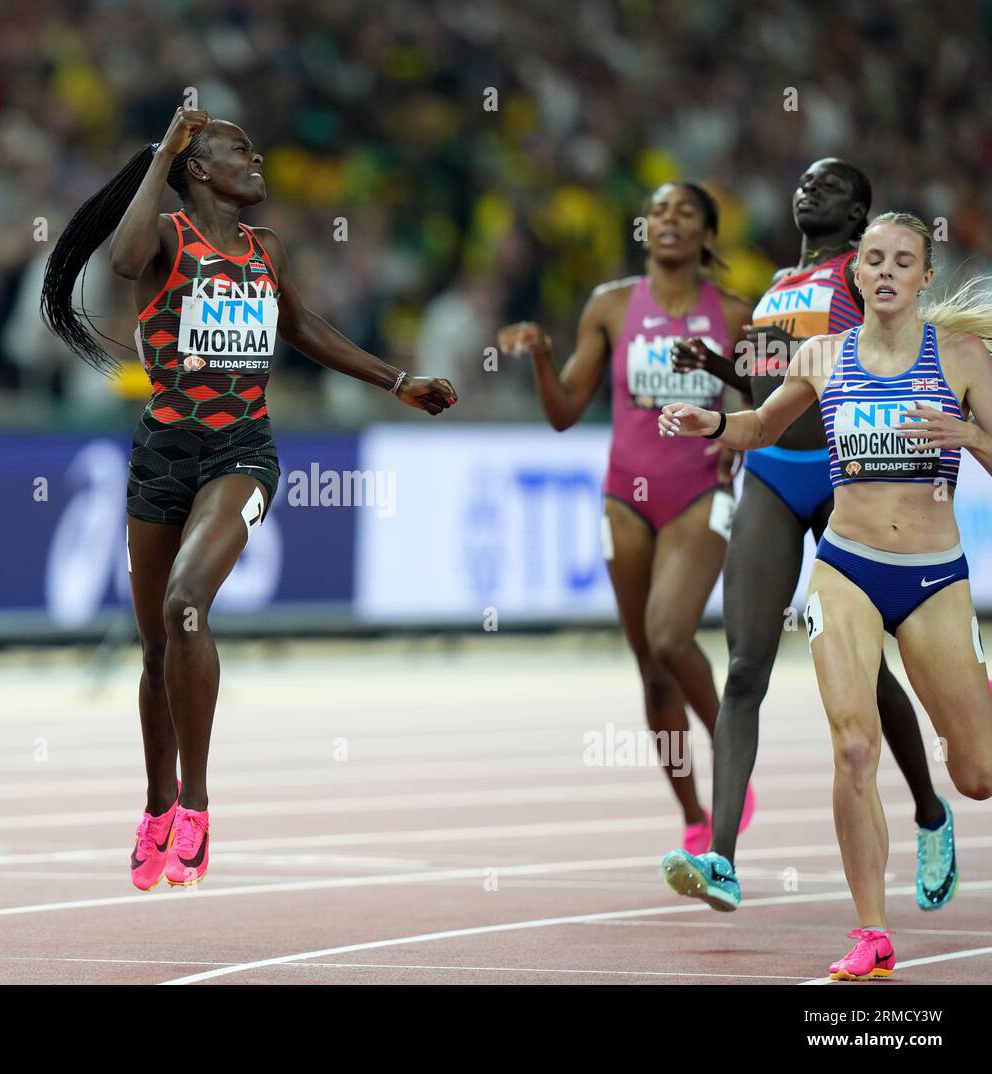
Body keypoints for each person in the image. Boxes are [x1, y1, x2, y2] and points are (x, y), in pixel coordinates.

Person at [40, 107, 457, 889]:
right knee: (157, 650)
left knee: (185, 603)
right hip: (161, 454)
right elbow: (124, 263)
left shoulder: (266, 251)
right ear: (199, 168)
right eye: (242, 151)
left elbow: (306, 329)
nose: (259, 160)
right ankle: (157, 805)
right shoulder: (165, 234)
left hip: (242, 452)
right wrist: (164, 148)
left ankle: (197, 803)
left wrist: (397, 381)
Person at [659, 211, 992, 979]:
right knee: (851, 744)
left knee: (976, 774)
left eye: (901, 261)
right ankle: (872, 933)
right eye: (872, 259)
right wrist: (707, 418)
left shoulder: (964, 358)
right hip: (845, 567)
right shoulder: (820, 353)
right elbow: (761, 424)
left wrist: (970, 437)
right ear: (856, 272)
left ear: (923, 277)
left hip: (935, 577)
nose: (884, 272)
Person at [499, 182, 753, 850]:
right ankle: (695, 818)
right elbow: (563, 415)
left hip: (702, 490)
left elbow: (774, 400)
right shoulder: (611, 305)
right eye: (658, 212)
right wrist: (544, 356)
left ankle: (734, 761)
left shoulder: (734, 311)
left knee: (671, 636)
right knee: (649, 663)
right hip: (625, 498)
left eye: (685, 212)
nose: (668, 221)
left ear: (707, 233)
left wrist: (722, 380)